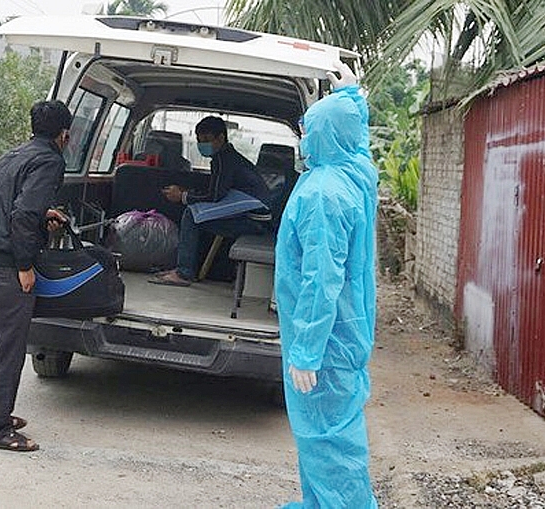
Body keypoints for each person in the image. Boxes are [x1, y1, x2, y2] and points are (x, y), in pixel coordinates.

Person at [274, 61, 379, 508]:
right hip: (346, 330)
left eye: (307, 127)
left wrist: (307, 350)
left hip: (327, 339)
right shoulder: (354, 170)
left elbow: (322, 280)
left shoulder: (322, 195)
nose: (302, 135)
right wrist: (353, 95)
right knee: (318, 439)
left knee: (331, 441)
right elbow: (359, 136)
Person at [0, 100, 72, 452]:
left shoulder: (13, 155)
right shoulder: (50, 160)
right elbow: (23, 215)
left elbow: (7, 205)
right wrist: (25, 266)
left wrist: (44, 212)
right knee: (10, 348)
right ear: (65, 134)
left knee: (4, 342)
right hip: (6, 264)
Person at [150, 116, 270, 287]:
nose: (202, 145)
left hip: (253, 222)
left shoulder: (224, 160)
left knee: (191, 215)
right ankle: (183, 269)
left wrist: (183, 197)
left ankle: (184, 273)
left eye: (206, 140)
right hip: (257, 218)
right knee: (194, 211)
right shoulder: (229, 158)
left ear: (221, 138)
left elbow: (215, 196)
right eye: (199, 140)